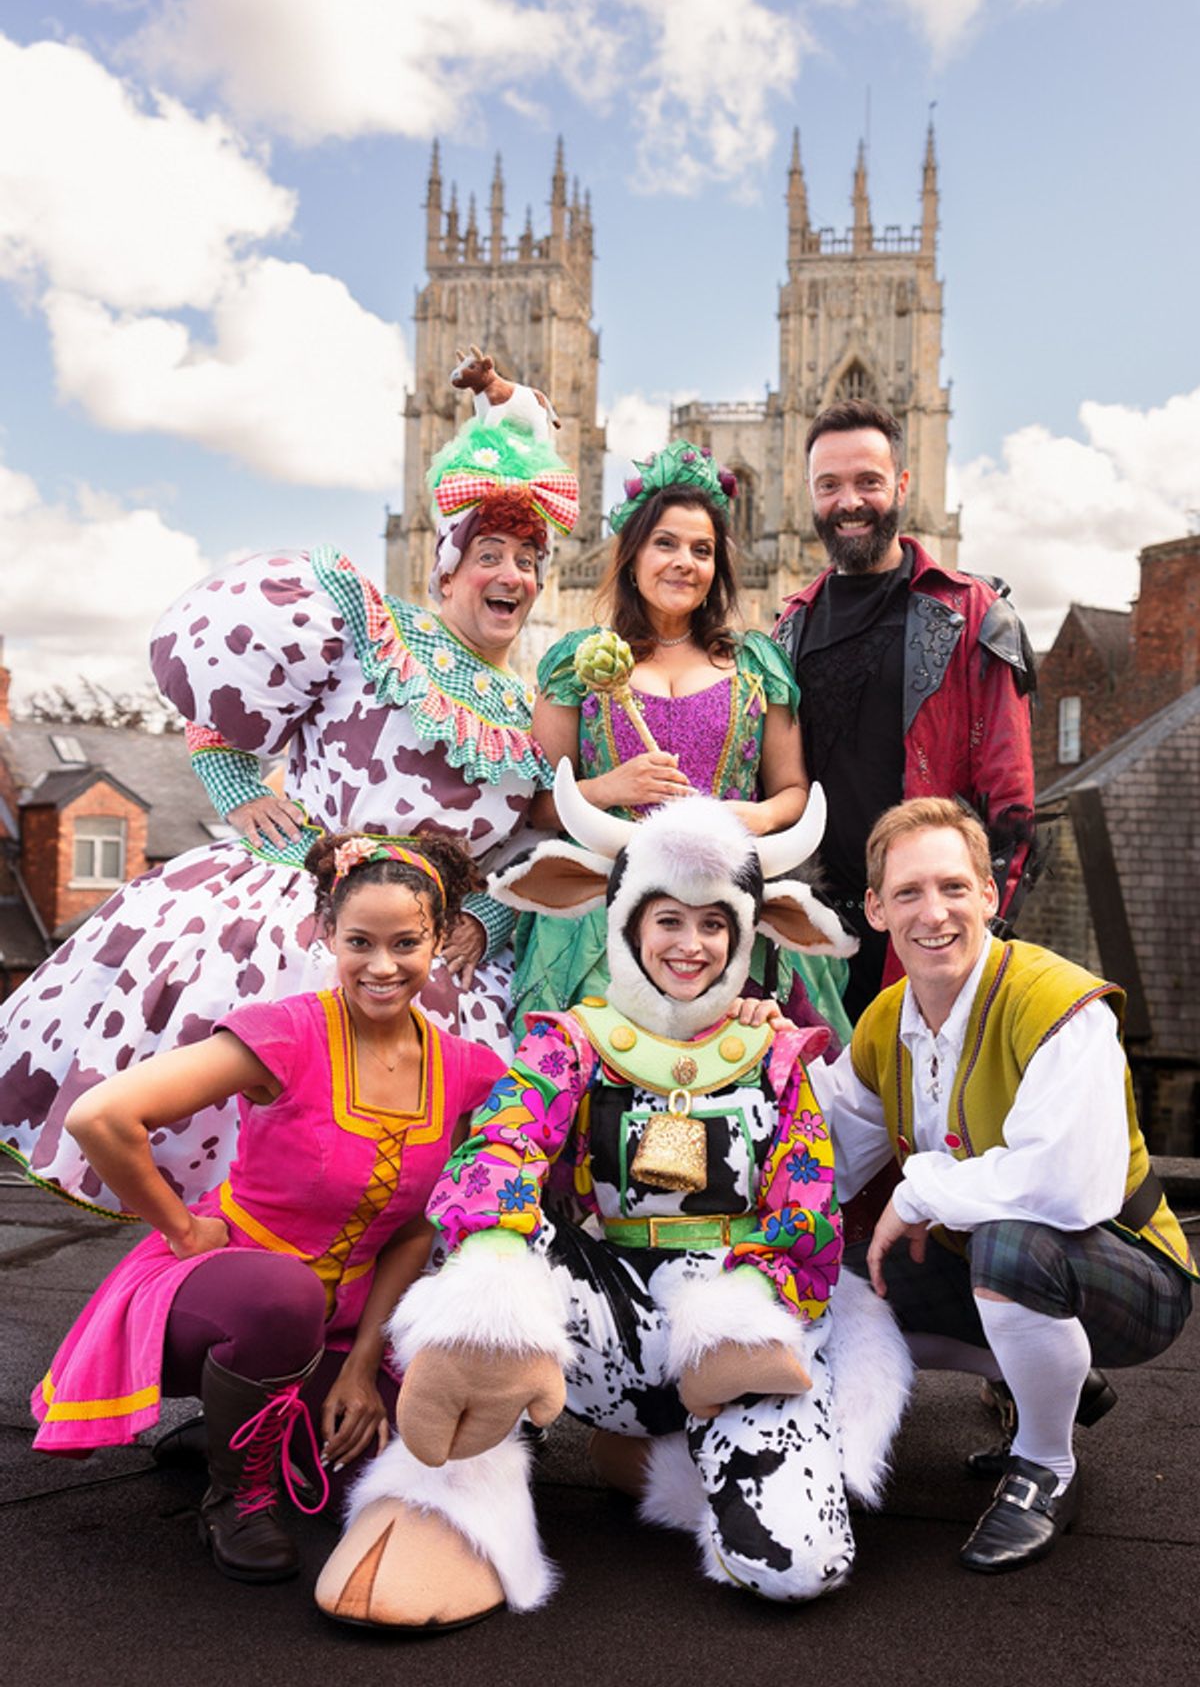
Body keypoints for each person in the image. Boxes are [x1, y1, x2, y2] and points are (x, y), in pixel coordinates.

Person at [313, 764, 910, 1629]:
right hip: (600, 1308)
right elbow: (502, 1145)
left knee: (797, 1568)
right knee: (491, 1285)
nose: (690, 945)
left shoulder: (776, 1057)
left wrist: (754, 1297)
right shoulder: (572, 1042)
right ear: (626, 921)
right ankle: (445, 1505)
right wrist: (489, 1261)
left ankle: (659, 1455)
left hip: (735, 1338)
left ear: (751, 932)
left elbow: (807, 1204)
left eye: (715, 923)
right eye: (667, 918)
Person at [0, 373, 576, 1214]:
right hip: (294, 908)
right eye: (489, 554)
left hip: (424, 949)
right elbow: (222, 693)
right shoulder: (371, 629)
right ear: (446, 569)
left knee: (400, 1182)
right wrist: (234, 785)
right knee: (251, 1129)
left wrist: (485, 917)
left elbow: (529, 850)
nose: (512, 575)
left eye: (528, 560)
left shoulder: (533, 713)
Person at [29, 833, 506, 1585]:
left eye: (407, 943)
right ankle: (236, 1495)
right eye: (359, 942)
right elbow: (101, 1117)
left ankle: (236, 1433)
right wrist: (184, 1228)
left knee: (392, 1462)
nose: (382, 966)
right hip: (225, 1295)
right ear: (324, 934)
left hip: (341, 1322)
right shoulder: (286, 1031)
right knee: (281, 1298)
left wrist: (359, 1370)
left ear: (439, 939)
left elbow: (415, 1231)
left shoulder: (466, 1068)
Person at [812, 797, 1196, 1573]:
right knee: (831, 1294)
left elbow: (1066, 1187)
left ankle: (1046, 1467)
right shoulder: (886, 1019)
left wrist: (917, 1191)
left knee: (1012, 1245)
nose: (935, 912)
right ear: (877, 910)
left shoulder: (1059, 1002)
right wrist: (738, 1048)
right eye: (910, 893)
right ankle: (1044, 1371)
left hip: (1131, 1271)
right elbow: (820, 1151)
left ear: (990, 896)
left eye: (955, 887)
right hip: (981, 1262)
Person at [515, 437, 850, 1047]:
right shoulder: (576, 664)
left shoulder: (757, 665)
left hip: (725, 913)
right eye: (665, 544)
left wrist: (757, 814)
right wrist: (606, 788)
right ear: (633, 554)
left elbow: (794, 791)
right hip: (602, 922)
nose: (683, 563)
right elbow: (535, 805)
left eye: (702, 550)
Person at [774, 398, 1036, 1023]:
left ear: (902, 485)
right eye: (830, 485)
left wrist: (975, 941)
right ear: (810, 495)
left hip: (930, 936)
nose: (850, 502)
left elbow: (1013, 806)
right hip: (817, 944)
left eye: (869, 481)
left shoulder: (971, 614)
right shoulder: (790, 626)